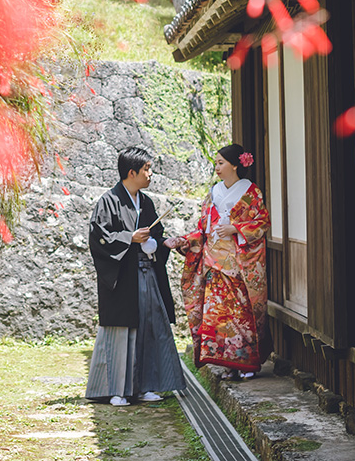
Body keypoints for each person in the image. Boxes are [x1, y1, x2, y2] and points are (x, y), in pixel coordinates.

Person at [85, 146, 185, 405]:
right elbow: (99, 238)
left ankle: (145, 386)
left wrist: (164, 243)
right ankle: (117, 390)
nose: (150, 174)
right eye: (146, 169)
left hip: (147, 274)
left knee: (150, 329)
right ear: (132, 172)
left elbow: (156, 234)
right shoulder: (108, 201)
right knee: (121, 332)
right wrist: (129, 237)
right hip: (122, 278)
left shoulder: (147, 202)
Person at [166, 143, 270, 380]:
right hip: (213, 261)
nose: (217, 168)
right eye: (216, 163)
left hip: (238, 263)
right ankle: (228, 362)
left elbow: (261, 223)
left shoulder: (251, 192)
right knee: (219, 316)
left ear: (235, 164)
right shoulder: (214, 193)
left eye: (221, 163)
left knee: (241, 313)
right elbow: (203, 229)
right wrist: (184, 240)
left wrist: (235, 228)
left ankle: (246, 363)